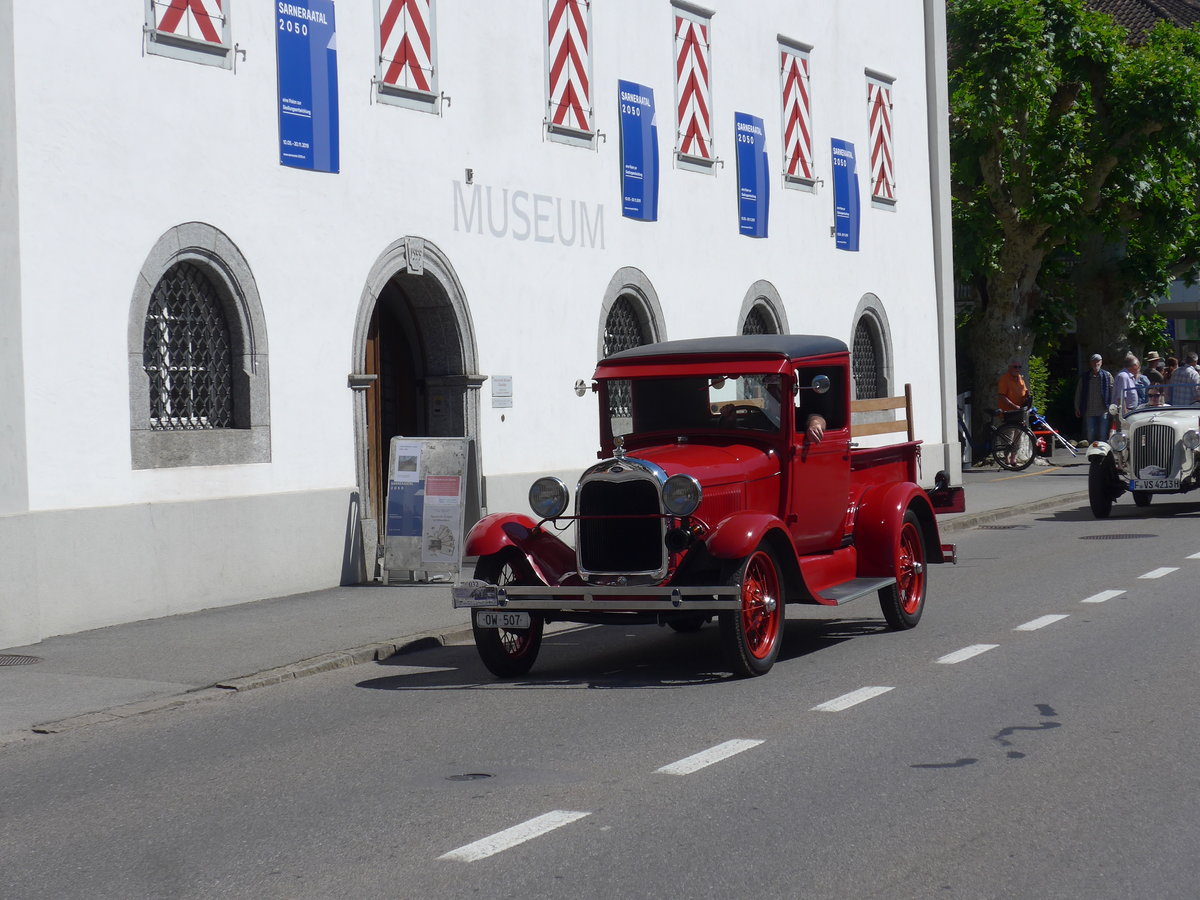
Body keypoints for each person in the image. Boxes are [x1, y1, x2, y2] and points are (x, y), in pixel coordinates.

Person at [1074, 353, 1112, 443]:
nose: (1096, 363)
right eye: (1094, 361)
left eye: (1098, 361)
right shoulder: (1085, 377)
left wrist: (1113, 407)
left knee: (1103, 436)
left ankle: (1103, 451)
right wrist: (1077, 407)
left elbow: (1113, 391)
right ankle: (1092, 451)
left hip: (1103, 410)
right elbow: (1079, 392)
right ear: (1090, 363)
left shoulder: (1107, 375)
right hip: (1089, 411)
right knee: (1091, 436)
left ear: (1101, 362)